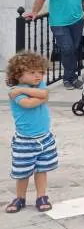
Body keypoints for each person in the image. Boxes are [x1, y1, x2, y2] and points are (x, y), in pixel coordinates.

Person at [24, 0, 84, 89]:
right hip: (59, 23)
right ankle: (68, 78)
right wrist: (34, 12)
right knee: (67, 49)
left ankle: (72, 77)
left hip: (77, 21)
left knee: (73, 49)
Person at [5, 52, 57, 214]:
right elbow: (29, 104)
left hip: (45, 138)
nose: (37, 76)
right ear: (18, 74)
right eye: (32, 72)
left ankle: (42, 196)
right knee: (22, 172)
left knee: (42, 169)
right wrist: (42, 97)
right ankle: (20, 197)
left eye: (40, 72)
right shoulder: (15, 92)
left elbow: (44, 94)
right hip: (25, 141)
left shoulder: (33, 86)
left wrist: (41, 95)